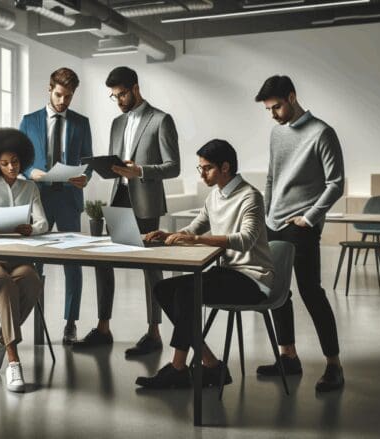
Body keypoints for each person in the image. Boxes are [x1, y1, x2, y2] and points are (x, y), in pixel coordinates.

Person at [136, 140, 275, 388]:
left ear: (225, 167)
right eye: (199, 168)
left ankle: (178, 368)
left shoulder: (251, 197)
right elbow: (193, 229)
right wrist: (166, 235)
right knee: (164, 290)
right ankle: (210, 363)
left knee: (188, 292)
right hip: (226, 273)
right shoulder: (214, 197)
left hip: (252, 279)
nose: (201, 173)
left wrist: (196, 239)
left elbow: (244, 241)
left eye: (207, 168)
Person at [73, 66, 180, 358]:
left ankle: (154, 333)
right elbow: (116, 162)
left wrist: (140, 170)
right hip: (118, 196)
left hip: (146, 201)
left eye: (122, 94)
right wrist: (107, 167)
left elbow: (174, 166)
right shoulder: (117, 123)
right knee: (104, 261)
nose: (119, 100)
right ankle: (103, 328)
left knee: (150, 269)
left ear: (135, 88)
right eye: (114, 96)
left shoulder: (161, 120)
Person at [254, 75, 346, 392]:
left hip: (302, 227)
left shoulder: (322, 133)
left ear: (292, 97)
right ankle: (288, 357)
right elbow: (271, 177)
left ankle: (334, 365)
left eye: (276, 107)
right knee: (276, 292)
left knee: (311, 292)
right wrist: (266, 213)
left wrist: (309, 218)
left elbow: (336, 184)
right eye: (269, 109)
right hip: (273, 222)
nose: (273, 114)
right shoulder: (276, 133)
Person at [0, 128, 49, 393]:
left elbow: (42, 223)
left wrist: (32, 229)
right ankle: (13, 360)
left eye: (15, 161)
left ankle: (2, 339)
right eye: (4, 163)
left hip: (18, 257)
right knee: (3, 282)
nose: (11, 167)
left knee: (32, 282)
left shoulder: (30, 186)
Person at [19, 67, 93, 345]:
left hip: (69, 199)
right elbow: (21, 158)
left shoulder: (81, 123)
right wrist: (31, 172)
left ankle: (70, 324)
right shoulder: (29, 121)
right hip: (39, 198)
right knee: (34, 263)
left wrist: (85, 177)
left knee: (73, 264)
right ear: (49, 90)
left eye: (69, 96)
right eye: (59, 94)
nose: (63, 101)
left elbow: (88, 160)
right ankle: (36, 320)